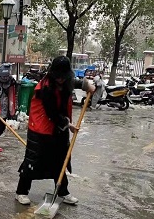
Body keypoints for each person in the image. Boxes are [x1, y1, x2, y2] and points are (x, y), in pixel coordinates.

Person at [15, 56, 95, 206]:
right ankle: (21, 192)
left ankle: (62, 191)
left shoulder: (66, 81)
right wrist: (68, 124)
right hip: (40, 128)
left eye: (63, 77)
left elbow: (75, 82)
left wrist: (86, 85)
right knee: (33, 161)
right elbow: (51, 113)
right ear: (53, 74)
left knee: (59, 160)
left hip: (58, 127)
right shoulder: (46, 87)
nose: (60, 80)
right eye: (58, 76)